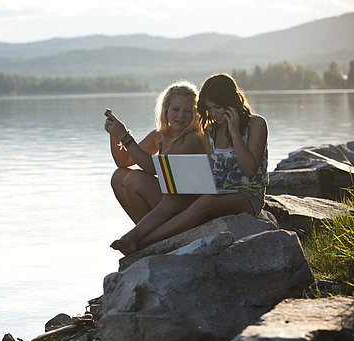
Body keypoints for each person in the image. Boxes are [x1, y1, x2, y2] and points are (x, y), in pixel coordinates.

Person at [111, 73, 269, 255]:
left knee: (207, 201)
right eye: (210, 108)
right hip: (216, 192)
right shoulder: (211, 130)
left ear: (231, 102)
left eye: (218, 107)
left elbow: (249, 169)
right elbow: (210, 171)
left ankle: (145, 242)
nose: (214, 113)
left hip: (246, 196)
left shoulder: (256, 124)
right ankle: (132, 236)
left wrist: (234, 132)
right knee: (173, 198)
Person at [105, 81, 204, 224]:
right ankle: (144, 229)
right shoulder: (159, 136)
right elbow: (124, 161)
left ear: (196, 113)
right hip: (167, 199)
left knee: (134, 179)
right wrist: (115, 133)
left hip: (185, 205)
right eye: (176, 109)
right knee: (119, 176)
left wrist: (125, 136)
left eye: (188, 111)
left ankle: (149, 234)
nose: (181, 115)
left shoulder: (193, 138)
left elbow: (155, 168)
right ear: (166, 109)